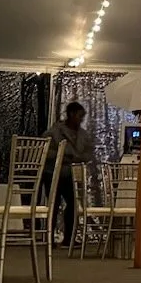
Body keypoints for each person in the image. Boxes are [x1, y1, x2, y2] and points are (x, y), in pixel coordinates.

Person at [45, 100, 95, 247]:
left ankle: (69, 237)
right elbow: (45, 151)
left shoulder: (84, 135)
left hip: (71, 175)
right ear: (71, 114)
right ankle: (49, 237)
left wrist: (79, 158)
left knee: (72, 205)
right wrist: (63, 155)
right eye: (79, 116)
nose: (81, 120)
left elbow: (89, 152)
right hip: (53, 173)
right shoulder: (54, 132)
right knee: (53, 206)